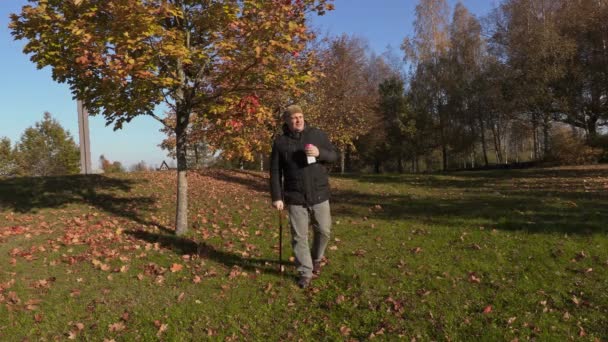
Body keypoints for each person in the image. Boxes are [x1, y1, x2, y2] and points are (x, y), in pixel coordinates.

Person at [270, 104, 338, 288]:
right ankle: (305, 272)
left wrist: (319, 153)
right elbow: (275, 171)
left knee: (324, 231)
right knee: (299, 237)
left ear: (303, 117)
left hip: (319, 193)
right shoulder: (280, 143)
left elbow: (333, 156)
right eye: (293, 118)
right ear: (287, 121)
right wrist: (277, 197)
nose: (297, 120)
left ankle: (316, 258)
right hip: (295, 195)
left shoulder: (318, 135)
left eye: (299, 116)